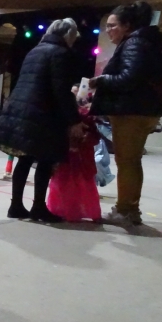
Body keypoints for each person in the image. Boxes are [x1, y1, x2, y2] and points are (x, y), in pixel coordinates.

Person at [0, 18, 86, 222]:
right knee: (45, 161)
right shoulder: (60, 53)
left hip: (24, 111)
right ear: (68, 35)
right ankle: (39, 208)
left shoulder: (35, 50)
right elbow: (61, 90)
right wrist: (74, 120)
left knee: (24, 160)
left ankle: (15, 205)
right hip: (43, 115)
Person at [89, 1, 162, 226]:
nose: (109, 31)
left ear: (127, 26)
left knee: (127, 162)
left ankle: (125, 211)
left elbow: (129, 78)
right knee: (132, 161)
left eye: (113, 26)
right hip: (143, 110)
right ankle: (130, 210)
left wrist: (102, 80)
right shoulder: (149, 43)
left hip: (132, 112)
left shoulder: (134, 43)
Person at [46, 86, 102, 223]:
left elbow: (94, 135)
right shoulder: (83, 116)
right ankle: (75, 210)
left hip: (76, 156)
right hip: (73, 156)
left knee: (70, 183)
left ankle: (67, 210)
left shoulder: (80, 116)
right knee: (76, 183)